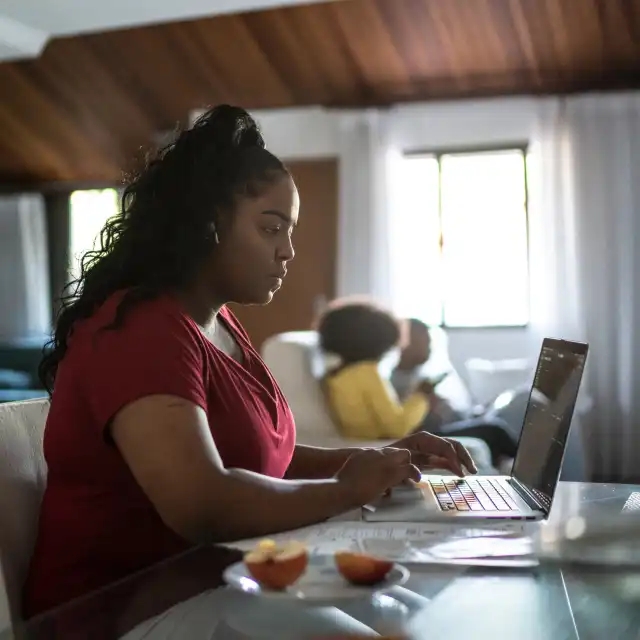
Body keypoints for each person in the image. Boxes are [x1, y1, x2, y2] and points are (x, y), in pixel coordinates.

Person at [23, 105, 475, 618]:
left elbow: (259, 455)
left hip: (218, 580)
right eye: (270, 229)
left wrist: (377, 462)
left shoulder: (217, 322)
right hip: (118, 613)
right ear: (207, 225)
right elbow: (203, 504)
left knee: (414, 616)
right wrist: (345, 491)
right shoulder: (140, 329)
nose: (287, 252)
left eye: (290, 231)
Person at [392, 318, 518, 468]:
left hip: (451, 422)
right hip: (433, 433)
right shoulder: (398, 380)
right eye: (425, 342)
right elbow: (407, 424)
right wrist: (426, 400)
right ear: (406, 343)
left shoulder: (416, 374)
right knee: (495, 429)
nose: (430, 348)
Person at [318, 299, 435, 440]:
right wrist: (421, 396)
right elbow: (397, 428)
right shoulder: (367, 373)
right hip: (374, 445)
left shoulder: (335, 375)